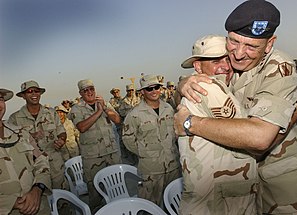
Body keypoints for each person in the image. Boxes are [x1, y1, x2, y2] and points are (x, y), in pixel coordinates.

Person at [174, 1, 297, 214]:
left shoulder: (277, 67)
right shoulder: (233, 67)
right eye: (233, 43)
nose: (237, 54)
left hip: (284, 192)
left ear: (269, 44)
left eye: (251, 46)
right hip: (246, 192)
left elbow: (260, 139)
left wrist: (191, 123)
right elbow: (202, 85)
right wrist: (182, 84)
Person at [178, 34, 258, 214]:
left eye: (227, 59)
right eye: (215, 61)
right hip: (218, 201)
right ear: (198, 66)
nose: (225, 66)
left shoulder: (206, 85)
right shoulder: (209, 87)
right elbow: (251, 137)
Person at [122, 74, 181, 208]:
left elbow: (175, 131)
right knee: (149, 205)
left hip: (173, 165)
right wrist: (146, 152)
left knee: (174, 203)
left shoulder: (168, 108)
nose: (154, 91)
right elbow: (128, 139)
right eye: (149, 89)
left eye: (157, 87)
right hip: (151, 169)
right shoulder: (134, 114)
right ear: (142, 92)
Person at [68, 79, 122, 212]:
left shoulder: (104, 104)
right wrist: (98, 112)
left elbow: (117, 120)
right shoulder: (76, 108)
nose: (89, 92)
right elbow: (81, 127)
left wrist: (104, 108)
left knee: (116, 187)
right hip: (93, 157)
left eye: (91, 89)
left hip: (111, 153)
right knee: (95, 192)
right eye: (85, 90)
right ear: (81, 93)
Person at [8, 81, 68, 190]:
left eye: (37, 91)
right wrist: (28, 137)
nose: (34, 94)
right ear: (23, 96)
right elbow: (12, 145)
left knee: (63, 199)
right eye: (30, 91)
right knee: (40, 201)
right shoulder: (14, 119)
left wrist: (62, 140)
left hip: (55, 164)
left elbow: (61, 131)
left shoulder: (51, 113)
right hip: (33, 168)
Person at [0, 88, 51, 215]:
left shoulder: (21, 133)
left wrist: (38, 189)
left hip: (39, 208)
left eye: (0, 99)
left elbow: (41, 161)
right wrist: (12, 202)